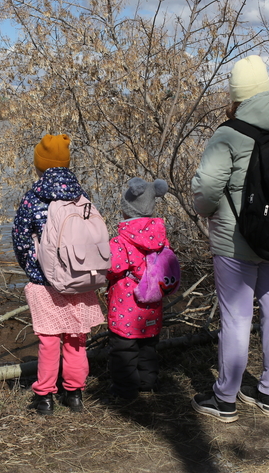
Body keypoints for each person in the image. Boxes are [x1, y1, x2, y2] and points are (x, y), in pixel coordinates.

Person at [190, 55, 269, 422]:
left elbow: (207, 193)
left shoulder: (229, 134)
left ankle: (225, 399)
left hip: (235, 242)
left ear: (235, 95)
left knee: (237, 318)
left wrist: (208, 210)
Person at [12, 134, 105, 415]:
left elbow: (20, 239)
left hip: (46, 282)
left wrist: (32, 269)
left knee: (49, 342)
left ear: (39, 165)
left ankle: (45, 398)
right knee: (77, 340)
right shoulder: (81, 195)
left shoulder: (33, 198)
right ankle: (74, 394)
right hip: (80, 278)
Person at [106, 177, 171, 402]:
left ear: (127, 211)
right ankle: (148, 382)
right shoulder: (162, 239)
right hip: (152, 306)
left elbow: (112, 267)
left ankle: (125, 391)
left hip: (126, 307)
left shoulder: (120, 241)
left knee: (124, 349)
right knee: (148, 347)